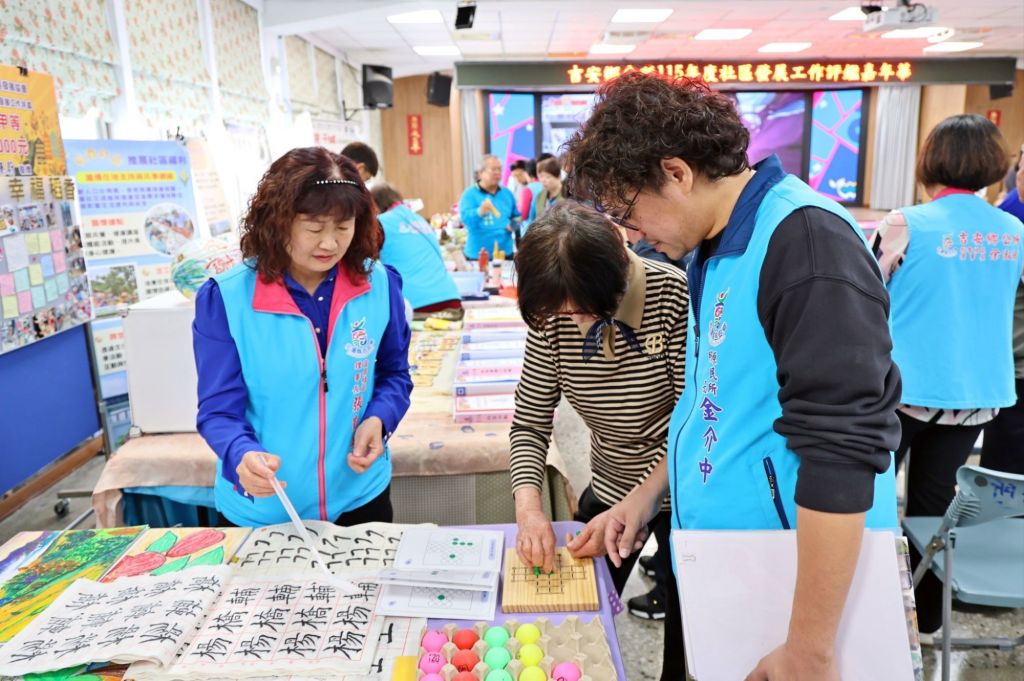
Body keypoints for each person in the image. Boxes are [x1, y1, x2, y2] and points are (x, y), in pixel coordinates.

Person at [562, 72, 901, 681]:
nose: (631, 235)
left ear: (676, 173)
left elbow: (843, 450)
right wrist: (643, 500)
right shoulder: (717, 249)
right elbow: (714, 406)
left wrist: (810, 648)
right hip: (732, 565)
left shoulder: (806, 243)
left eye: (628, 212)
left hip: (792, 585)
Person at [510, 202, 687, 681]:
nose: (573, 322)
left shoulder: (672, 296)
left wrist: (641, 503)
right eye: (561, 312)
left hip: (685, 492)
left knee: (687, 642)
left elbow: (690, 424)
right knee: (574, 623)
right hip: (610, 485)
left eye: (584, 310)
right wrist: (530, 511)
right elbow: (529, 423)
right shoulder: (555, 310)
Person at [193, 147, 413, 527]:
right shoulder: (226, 298)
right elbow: (218, 409)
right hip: (266, 508)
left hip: (361, 496)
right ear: (278, 222)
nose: (329, 243)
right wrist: (240, 453)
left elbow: (395, 374)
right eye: (314, 228)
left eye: (343, 227)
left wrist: (379, 418)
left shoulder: (379, 284)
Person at [872, 115, 1024, 635]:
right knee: (935, 509)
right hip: (976, 394)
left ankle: (873, 607)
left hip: (901, 391)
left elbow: (864, 295)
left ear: (930, 160)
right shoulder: (1013, 231)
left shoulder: (905, 223)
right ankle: (926, 617)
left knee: (870, 501)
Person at [983, 147, 1024, 475]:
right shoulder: (1010, 214)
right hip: (1011, 369)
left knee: (1004, 479)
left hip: (1016, 369)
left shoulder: (1009, 222)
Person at [371, 182, 463, 319]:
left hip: (415, 305)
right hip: (451, 299)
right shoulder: (420, 220)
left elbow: (365, 262)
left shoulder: (379, 223)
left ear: (373, 205)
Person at [458, 154, 520, 260]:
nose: (497, 173)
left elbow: (517, 217)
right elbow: (465, 220)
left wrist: (513, 225)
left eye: (500, 169)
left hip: (505, 252)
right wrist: (479, 212)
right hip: (478, 254)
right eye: (493, 169)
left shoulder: (507, 193)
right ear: (480, 173)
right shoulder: (469, 194)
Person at [525, 156, 566, 227]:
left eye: (548, 177)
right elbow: (532, 220)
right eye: (541, 176)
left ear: (559, 177)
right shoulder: (540, 195)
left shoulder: (567, 196)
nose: (543, 181)